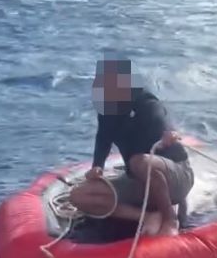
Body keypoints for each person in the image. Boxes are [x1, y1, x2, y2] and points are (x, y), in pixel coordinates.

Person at [69, 59, 194, 236]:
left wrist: (169, 132)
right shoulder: (107, 110)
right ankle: (148, 216)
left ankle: (170, 218)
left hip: (176, 177)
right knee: (79, 195)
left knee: (139, 162)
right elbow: (103, 138)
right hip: (138, 182)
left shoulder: (147, 103)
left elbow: (162, 118)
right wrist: (97, 166)